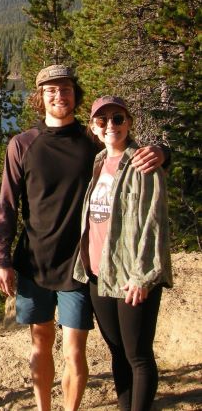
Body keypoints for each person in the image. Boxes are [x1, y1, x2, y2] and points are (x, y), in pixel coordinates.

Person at [0, 65, 164, 411]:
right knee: (40, 344)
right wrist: (3, 260)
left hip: (79, 267)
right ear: (39, 98)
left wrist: (163, 151)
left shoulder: (93, 141)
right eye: (51, 90)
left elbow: (134, 155)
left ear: (75, 95)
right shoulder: (23, 144)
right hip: (34, 263)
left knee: (74, 350)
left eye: (66, 89)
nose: (59, 95)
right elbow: (7, 206)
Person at [73, 96, 172, 411]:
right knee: (117, 352)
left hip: (132, 276)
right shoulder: (99, 162)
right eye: (102, 121)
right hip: (100, 274)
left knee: (138, 356)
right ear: (94, 129)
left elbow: (154, 224)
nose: (110, 125)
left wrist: (143, 276)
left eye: (117, 118)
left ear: (129, 122)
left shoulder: (143, 163)